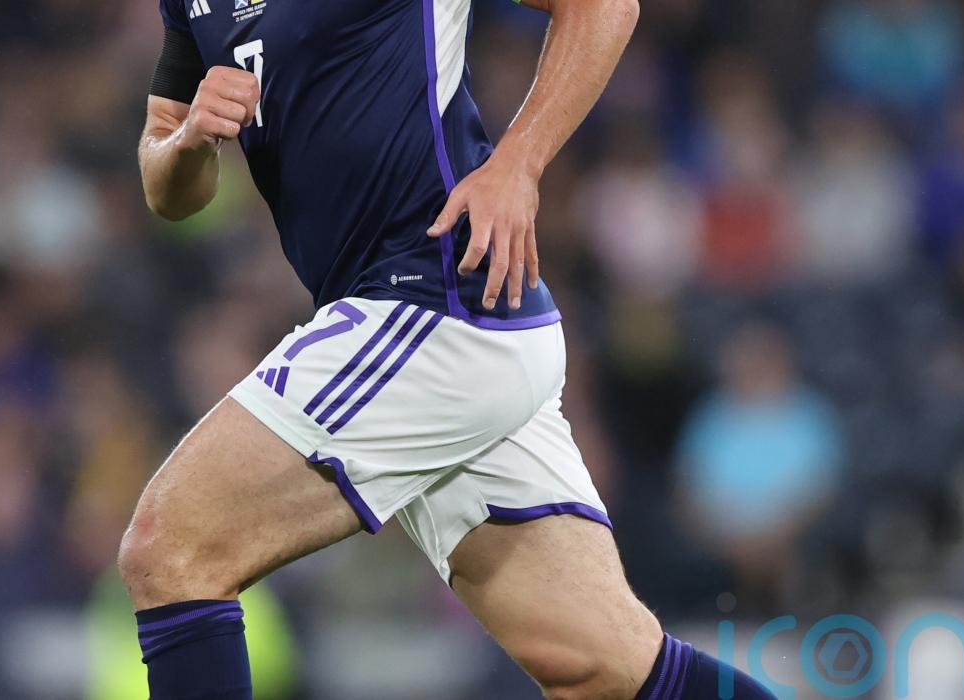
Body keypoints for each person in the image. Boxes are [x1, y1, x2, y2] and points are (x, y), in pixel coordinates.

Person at [121, 0, 776, 698]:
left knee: (172, 548)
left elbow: (602, 7)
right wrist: (190, 139)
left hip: (433, 299)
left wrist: (518, 163)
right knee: (602, 668)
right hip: (431, 323)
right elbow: (167, 185)